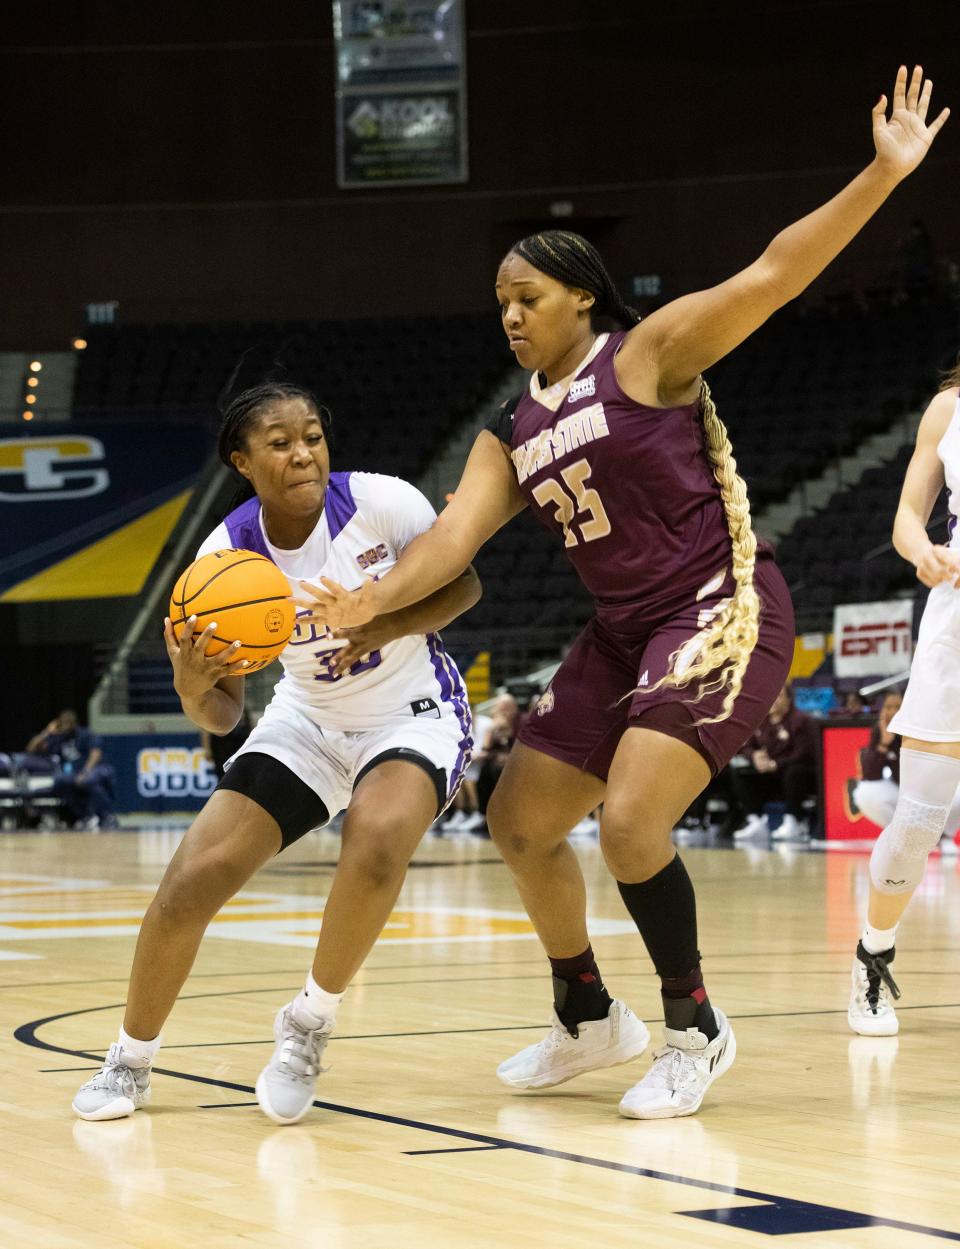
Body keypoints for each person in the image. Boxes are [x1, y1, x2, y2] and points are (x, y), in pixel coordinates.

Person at [301, 69, 948, 1118]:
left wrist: (883, 172)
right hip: (620, 630)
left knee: (634, 823)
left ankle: (695, 1026)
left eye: (528, 298)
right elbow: (453, 536)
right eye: (500, 302)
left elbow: (778, 272)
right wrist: (359, 604)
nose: (509, 315)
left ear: (583, 296)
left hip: (720, 608)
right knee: (520, 819)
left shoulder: (646, 355)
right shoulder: (511, 428)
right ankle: (588, 1014)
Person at [72, 381, 479, 1123]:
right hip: (306, 718)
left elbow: (465, 586)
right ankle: (129, 1060)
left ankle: (308, 1023)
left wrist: (382, 623)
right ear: (243, 460)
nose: (304, 453)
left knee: (379, 837)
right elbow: (221, 710)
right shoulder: (224, 555)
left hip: (412, 711)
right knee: (193, 877)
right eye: (281, 442)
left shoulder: (384, 503)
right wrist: (190, 683)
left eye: (313, 436)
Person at [848, 372, 960, 1038]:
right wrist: (922, 551)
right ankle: (873, 952)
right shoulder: (948, 408)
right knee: (918, 821)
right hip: (956, 611)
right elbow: (906, 519)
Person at [730, 684, 818, 841]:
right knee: (740, 772)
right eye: (771, 696)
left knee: (795, 772)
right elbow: (745, 746)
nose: (774, 701)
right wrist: (755, 756)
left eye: (779, 696)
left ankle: (794, 821)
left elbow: (804, 753)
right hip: (770, 775)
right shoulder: (761, 721)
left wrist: (776, 764)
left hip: (796, 774)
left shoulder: (802, 720)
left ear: (789, 699)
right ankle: (755, 821)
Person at [26, 709, 117, 830]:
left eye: (69, 722)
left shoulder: (86, 734)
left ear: (75, 722)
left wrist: (85, 772)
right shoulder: (59, 738)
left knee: (88, 781)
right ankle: (85, 816)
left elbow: (95, 754)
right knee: (59, 781)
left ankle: (108, 816)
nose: (67, 724)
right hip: (74, 773)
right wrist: (47, 732)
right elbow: (31, 749)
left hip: (95, 769)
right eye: (64, 722)